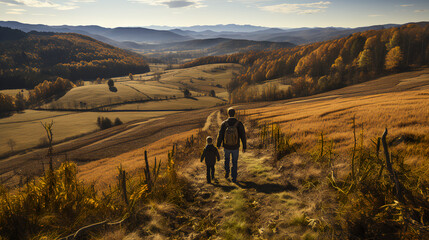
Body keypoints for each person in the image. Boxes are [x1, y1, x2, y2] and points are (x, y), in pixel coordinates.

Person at [217, 107, 246, 183]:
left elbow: (220, 135)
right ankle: (234, 177)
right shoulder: (239, 124)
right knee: (234, 161)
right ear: (235, 114)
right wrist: (244, 147)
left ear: (228, 114)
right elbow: (243, 136)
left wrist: (218, 144)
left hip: (226, 146)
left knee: (226, 160)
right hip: (235, 146)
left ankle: (226, 172)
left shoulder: (224, 123)